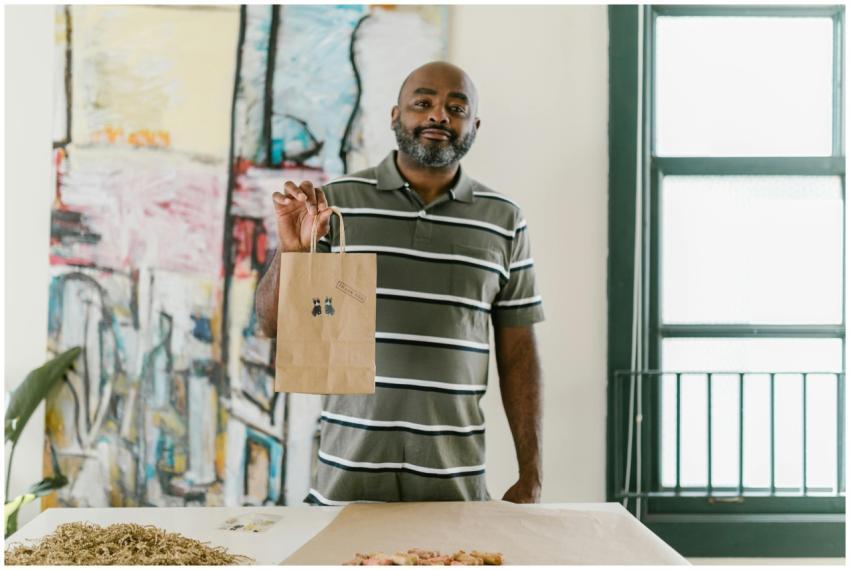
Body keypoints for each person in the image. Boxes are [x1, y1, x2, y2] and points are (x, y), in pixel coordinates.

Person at [255, 61, 544, 505]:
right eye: (423, 103)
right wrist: (291, 253)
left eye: (456, 107)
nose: (439, 116)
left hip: (456, 488)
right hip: (345, 483)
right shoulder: (337, 204)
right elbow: (273, 325)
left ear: (475, 125)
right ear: (395, 116)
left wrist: (532, 474)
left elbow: (519, 354)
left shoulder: (504, 220)